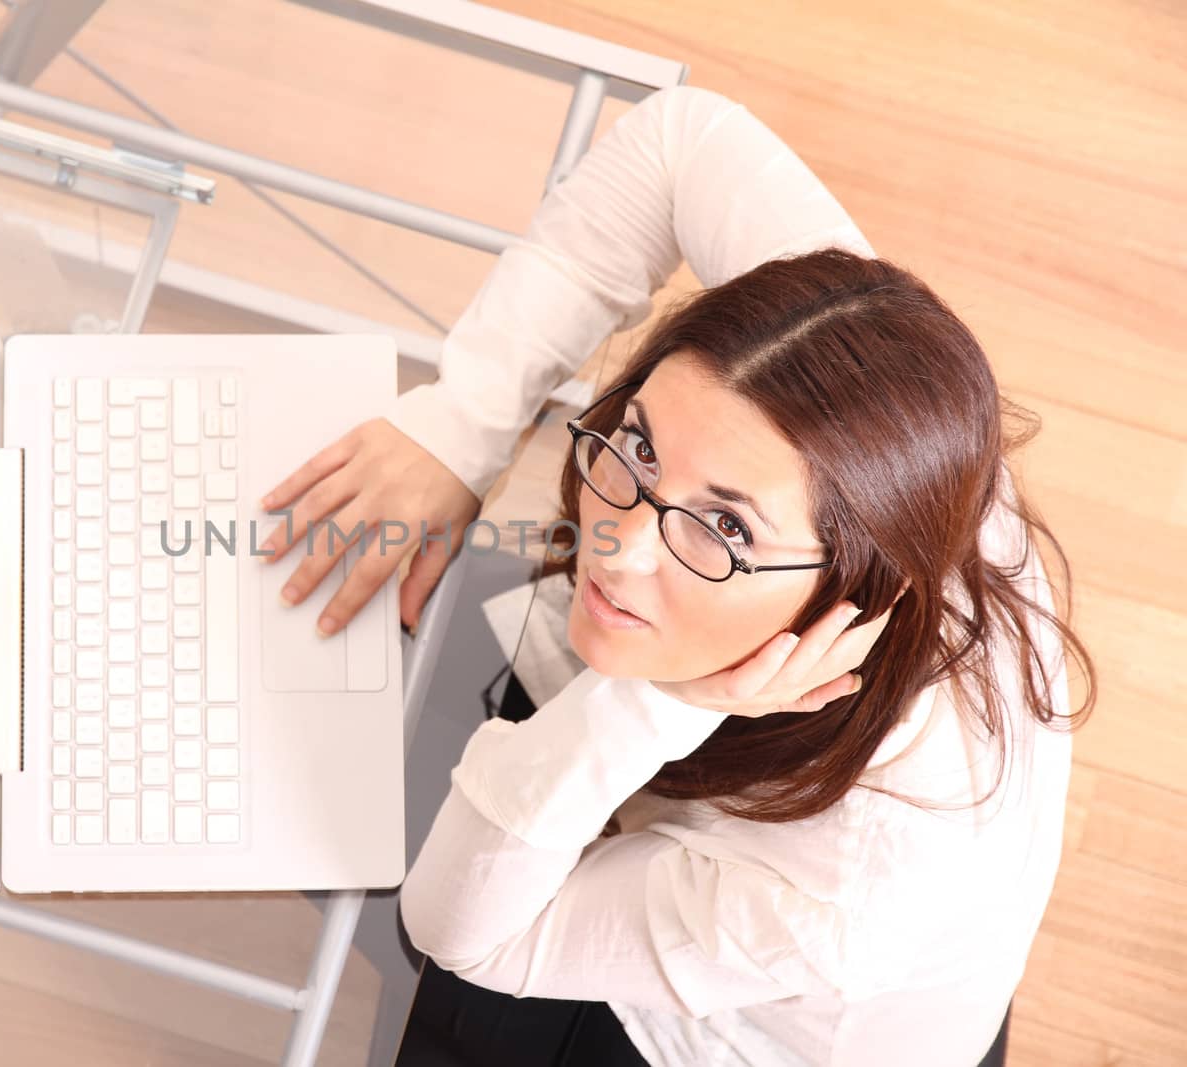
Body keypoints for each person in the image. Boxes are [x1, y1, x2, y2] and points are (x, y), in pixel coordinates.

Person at [259, 84, 1096, 1065]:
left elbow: (454, 931)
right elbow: (678, 140)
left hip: (682, 1036)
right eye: (641, 447)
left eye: (724, 526)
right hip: (726, 816)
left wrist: (656, 705)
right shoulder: (897, 418)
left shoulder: (834, 897)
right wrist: (460, 422)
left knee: (283, 782)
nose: (616, 548)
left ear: (858, 583)